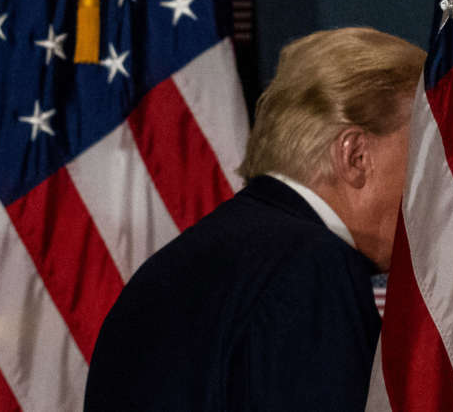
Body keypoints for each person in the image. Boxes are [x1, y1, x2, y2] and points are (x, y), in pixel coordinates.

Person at [84, 27, 426, 411]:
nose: (427, 186)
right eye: (420, 155)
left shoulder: (167, 270)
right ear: (355, 156)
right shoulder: (312, 268)